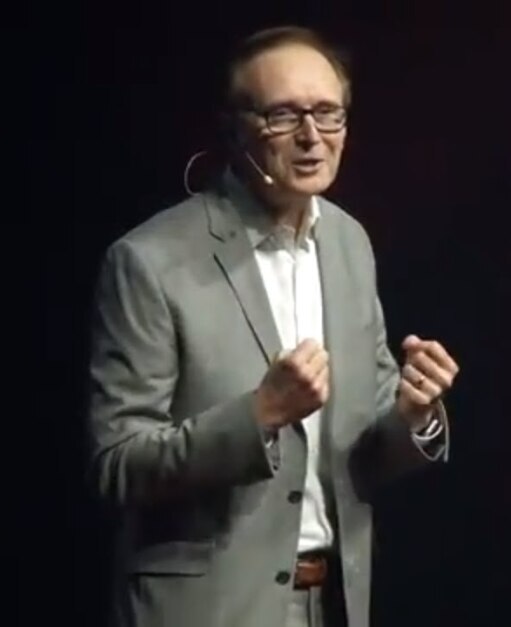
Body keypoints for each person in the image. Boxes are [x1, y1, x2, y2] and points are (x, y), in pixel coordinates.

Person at [86, 25, 460, 627]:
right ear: (236, 127)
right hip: (210, 611)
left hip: (332, 601)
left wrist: (413, 414)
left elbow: (363, 450)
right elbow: (116, 464)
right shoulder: (150, 261)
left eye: (328, 114)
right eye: (283, 116)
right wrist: (259, 415)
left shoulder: (348, 242)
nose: (312, 137)